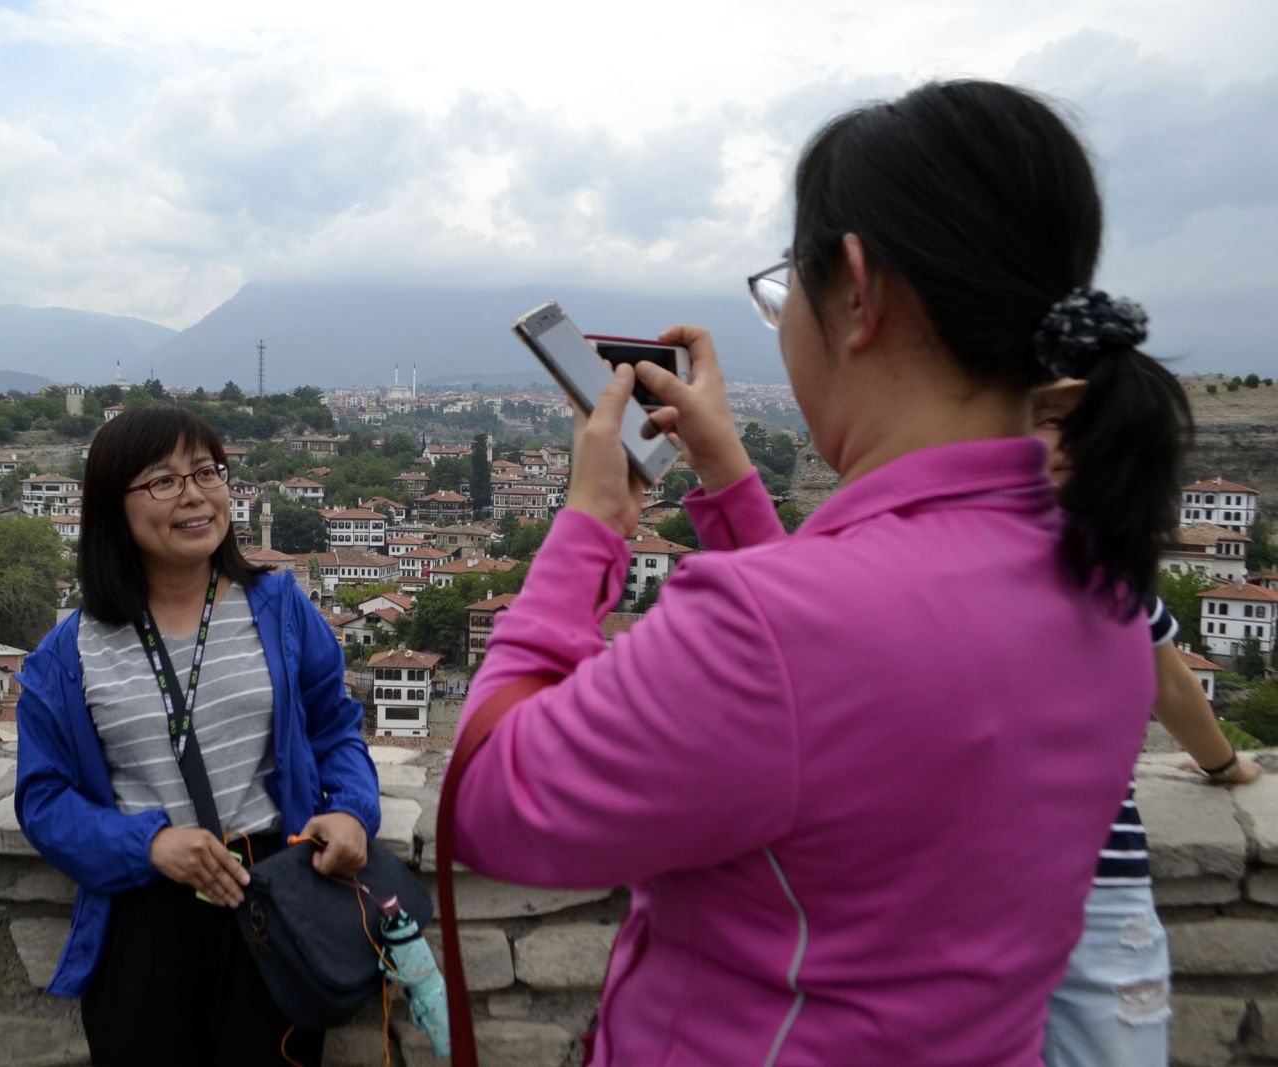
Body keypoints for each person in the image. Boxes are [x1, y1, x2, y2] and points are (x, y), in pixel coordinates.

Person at [446, 80, 1192, 1065]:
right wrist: (727, 477)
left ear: (856, 286)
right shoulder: (1097, 582)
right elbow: (827, 706)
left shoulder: (779, 625)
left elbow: (490, 800)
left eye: (784, 285)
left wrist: (591, 519)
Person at [14, 403, 381, 1067]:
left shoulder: (280, 608)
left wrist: (353, 810)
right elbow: (43, 799)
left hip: (274, 897)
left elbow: (336, 727)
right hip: (145, 915)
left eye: (207, 471)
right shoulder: (66, 656)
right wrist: (148, 842)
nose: (195, 495)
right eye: (163, 479)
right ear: (111, 506)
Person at [1033, 378, 1261, 1067]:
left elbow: (1170, 682)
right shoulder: (1106, 562)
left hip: (1077, 879)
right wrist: (1224, 764)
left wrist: (1223, 762)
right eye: (1049, 418)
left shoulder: (1105, 564)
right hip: (1085, 884)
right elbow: (1169, 682)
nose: (1072, 441)